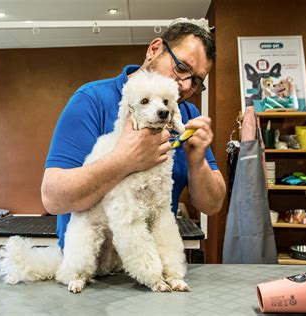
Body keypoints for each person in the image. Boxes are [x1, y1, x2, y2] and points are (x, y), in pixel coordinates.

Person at [41, 19, 226, 249]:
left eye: (197, 80)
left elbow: (212, 204)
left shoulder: (186, 114)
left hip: (155, 271)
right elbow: (53, 198)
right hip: (91, 269)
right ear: (154, 49)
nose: (187, 86)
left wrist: (198, 163)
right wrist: (124, 161)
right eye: (181, 68)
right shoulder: (91, 100)